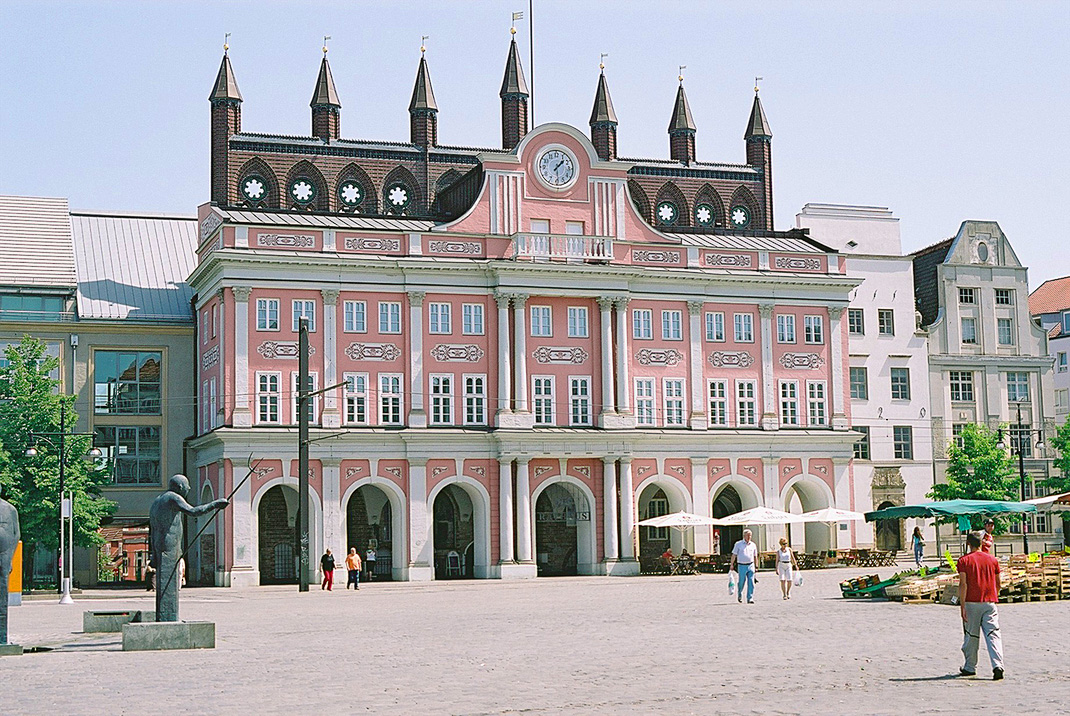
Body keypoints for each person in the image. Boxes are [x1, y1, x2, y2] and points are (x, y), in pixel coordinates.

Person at [957, 531, 1004, 680]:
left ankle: (970, 667)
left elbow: (963, 584)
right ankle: (998, 665)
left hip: (972, 602)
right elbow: (998, 583)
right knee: (993, 634)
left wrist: (962, 606)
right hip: (989, 602)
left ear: (968, 544)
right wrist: (993, 595)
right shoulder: (992, 560)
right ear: (981, 543)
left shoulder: (964, 561)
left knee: (971, 635)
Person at [729, 529, 759, 603]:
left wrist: (756, 565)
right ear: (744, 536)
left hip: (751, 565)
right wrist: (731, 564)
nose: (749, 537)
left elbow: (755, 556)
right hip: (741, 565)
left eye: (750, 535)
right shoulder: (738, 544)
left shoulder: (753, 545)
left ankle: (750, 597)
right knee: (742, 581)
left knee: (751, 582)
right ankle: (740, 593)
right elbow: (734, 555)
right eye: (747, 535)